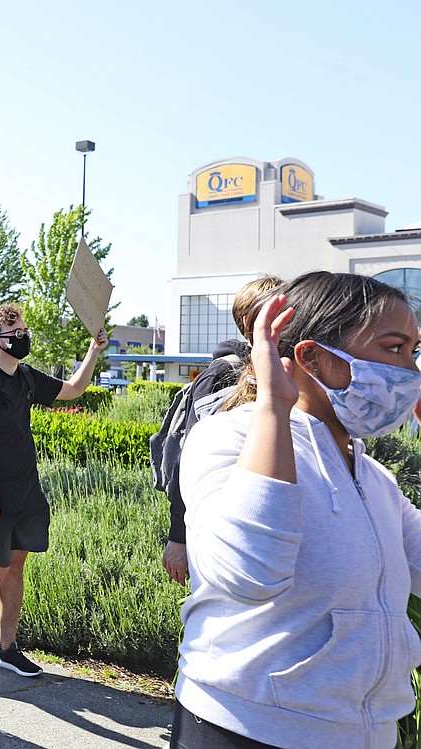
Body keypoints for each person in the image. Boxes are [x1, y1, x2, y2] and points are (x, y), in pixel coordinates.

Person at [172, 271, 421, 748]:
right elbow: (250, 574)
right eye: (393, 349)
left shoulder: (374, 478)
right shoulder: (229, 438)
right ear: (310, 356)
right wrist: (273, 408)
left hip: (361, 735)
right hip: (245, 728)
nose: (410, 370)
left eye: (414, 352)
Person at [0, 304, 107, 677]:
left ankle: (7, 649)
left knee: (15, 567)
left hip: (26, 494)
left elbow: (72, 390)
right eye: (14, 331)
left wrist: (93, 351)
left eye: (24, 329)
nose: (23, 336)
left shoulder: (25, 376)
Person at [157, 276, 281, 585]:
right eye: (272, 310)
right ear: (246, 320)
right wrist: (178, 537)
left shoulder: (284, 369)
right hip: (223, 529)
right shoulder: (224, 374)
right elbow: (189, 457)